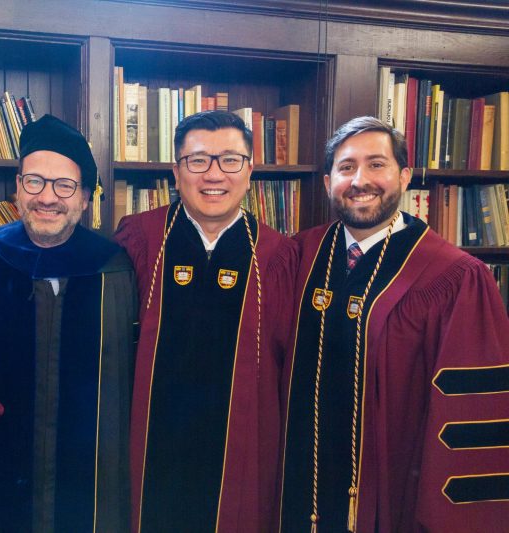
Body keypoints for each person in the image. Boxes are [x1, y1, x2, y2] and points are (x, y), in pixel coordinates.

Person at [278, 116, 509, 532]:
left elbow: (473, 414)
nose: (360, 180)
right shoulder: (299, 255)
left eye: (377, 164)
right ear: (327, 181)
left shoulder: (454, 277)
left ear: (404, 176)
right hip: (296, 488)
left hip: (393, 492)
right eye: (346, 167)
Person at [115, 110, 298, 532]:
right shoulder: (140, 239)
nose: (214, 174)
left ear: (250, 171)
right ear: (176, 172)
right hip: (148, 448)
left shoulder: (276, 255)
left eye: (230, 160)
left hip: (241, 454)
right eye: (198, 160)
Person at [0, 114, 136, 532]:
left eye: (64, 186)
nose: (47, 197)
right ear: (17, 187)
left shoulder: (117, 268)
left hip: (93, 480)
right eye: (34, 181)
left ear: (86, 197)